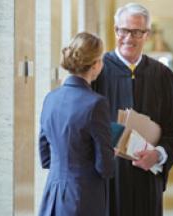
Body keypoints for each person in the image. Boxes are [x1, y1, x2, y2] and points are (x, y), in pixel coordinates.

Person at [93, 3, 173, 216]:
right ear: (115, 30)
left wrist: (159, 154)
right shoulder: (98, 70)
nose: (129, 38)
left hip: (147, 179)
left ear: (147, 34)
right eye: (123, 30)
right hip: (108, 180)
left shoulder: (162, 75)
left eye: (137, 32)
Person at [38, 32, 115, 216]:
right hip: (83, 197)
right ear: (96, 64)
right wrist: (112, 153)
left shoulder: (50, 98)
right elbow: (105, 167)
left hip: (52, 193)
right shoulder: (96, 103)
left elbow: (45, 156)